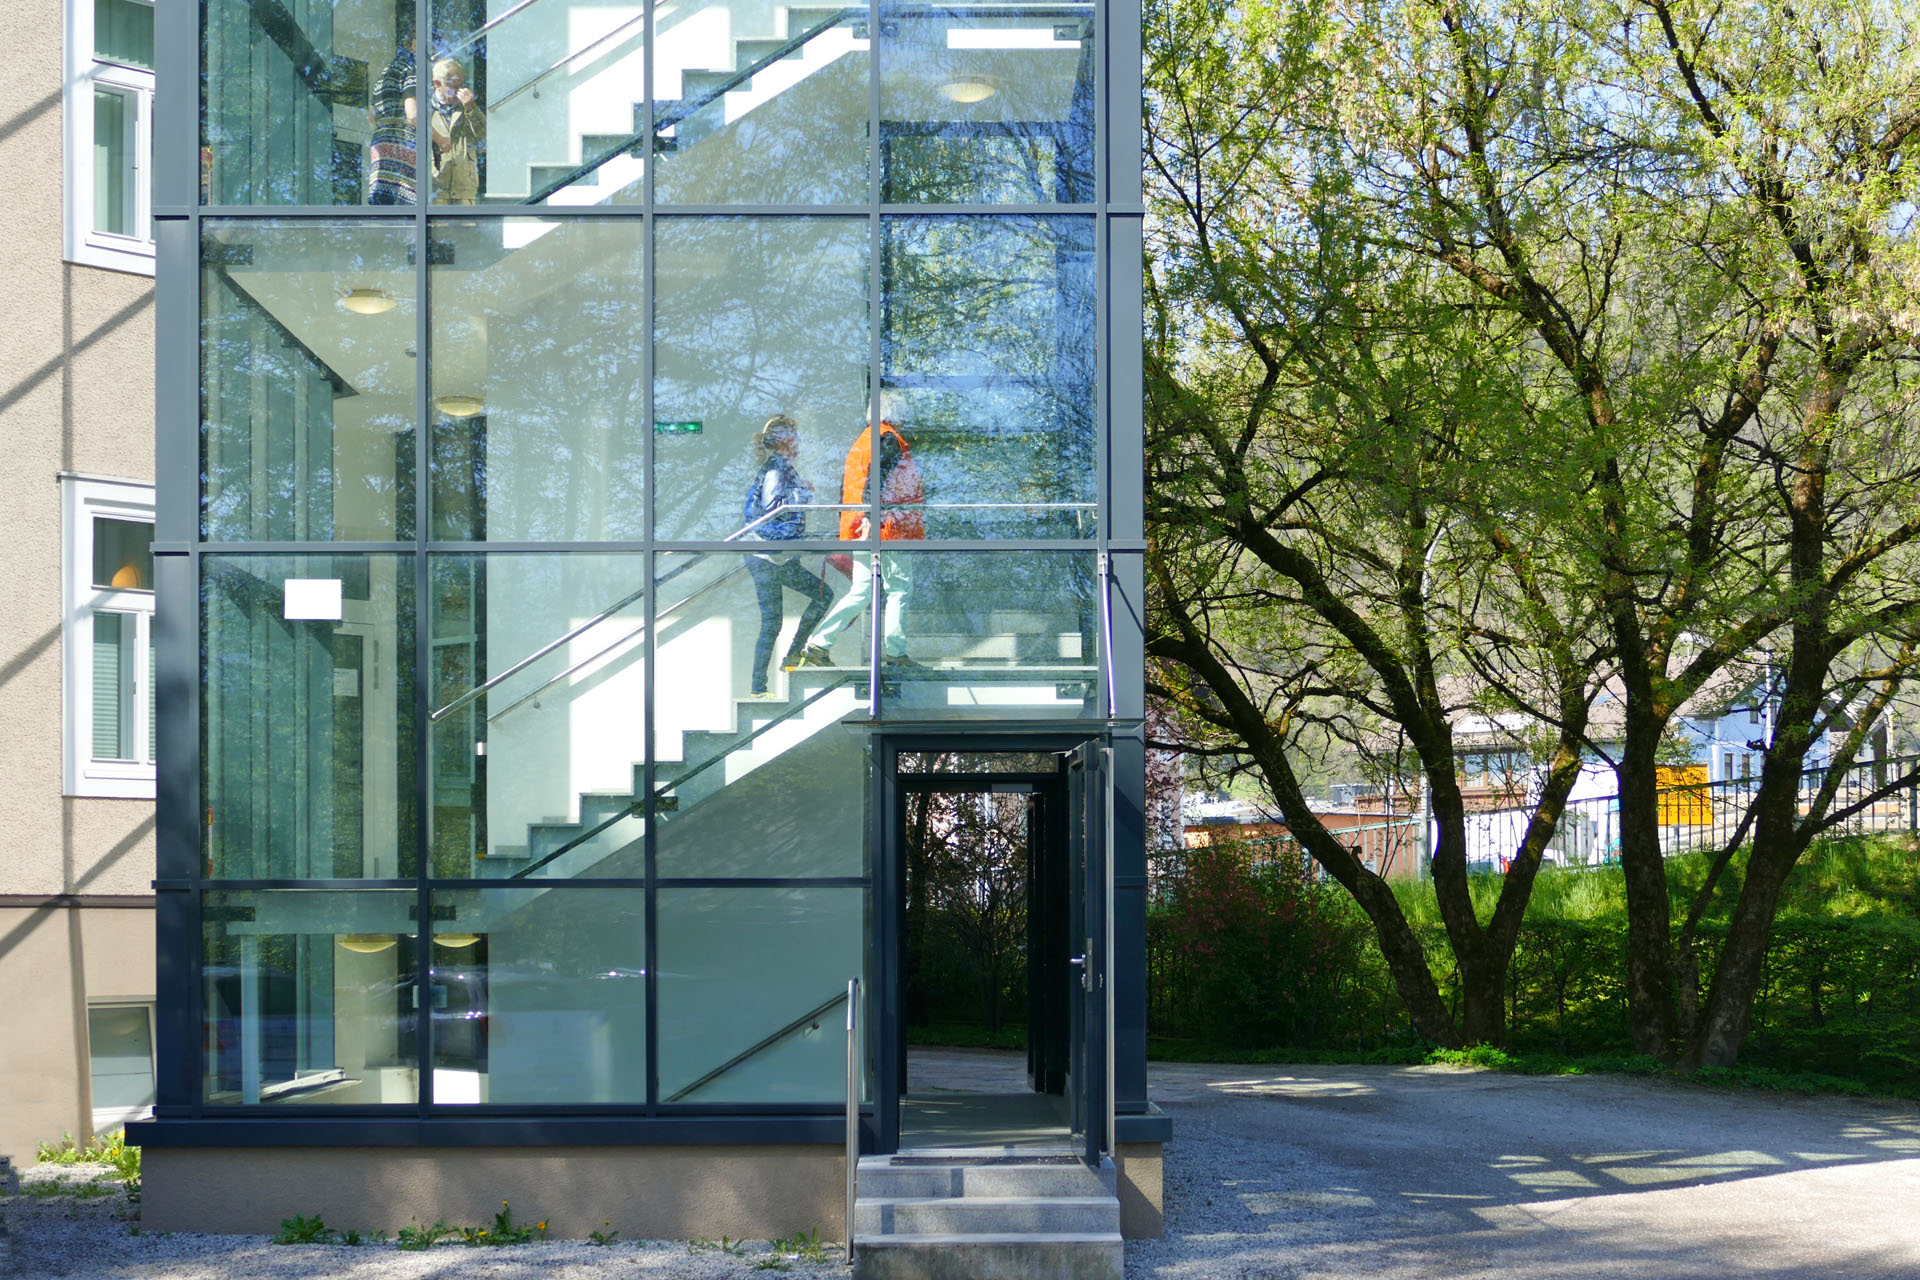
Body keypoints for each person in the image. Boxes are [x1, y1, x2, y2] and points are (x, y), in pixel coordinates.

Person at [790, 402, 924, 668]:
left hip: (862, 527)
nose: (906, 419)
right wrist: (873, 517)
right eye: (903, 412)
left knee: (862, 589)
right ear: (895, 413)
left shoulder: (863, 442)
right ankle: (896, 653)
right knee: (898, 588)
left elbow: (853, 486)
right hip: (888, 528)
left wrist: (861, 519)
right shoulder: (888, 438)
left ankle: (819, 644)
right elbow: (879, 479)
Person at [743, 417, 834, 696]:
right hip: (766, 557)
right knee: (772, 622)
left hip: (779, 557)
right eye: (795, 437)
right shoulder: (776, 469)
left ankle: (793, 655)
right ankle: (758, 688)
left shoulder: (782, 468)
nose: (799, 442)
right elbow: (773, 512)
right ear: (784, 440)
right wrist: (802, 494)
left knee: (822, 595)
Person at [429, 56, 486, 205]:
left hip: (464, 189)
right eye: (453, 86)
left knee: (465, 221)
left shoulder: (467, 106)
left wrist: (471, 109)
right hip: (435, 190)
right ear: (437, 84)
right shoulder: (425, 110)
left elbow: (483, 137)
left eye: (461, 86)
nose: (459, 92)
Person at [368, 40, 417, 205]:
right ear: (415, 43)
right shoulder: (412, 67)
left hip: (380, 142)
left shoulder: (386, 72)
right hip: (402, 141)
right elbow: (413, 114)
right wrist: (437, 139)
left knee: (383, 204)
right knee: (407, 203)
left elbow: (371, 116)